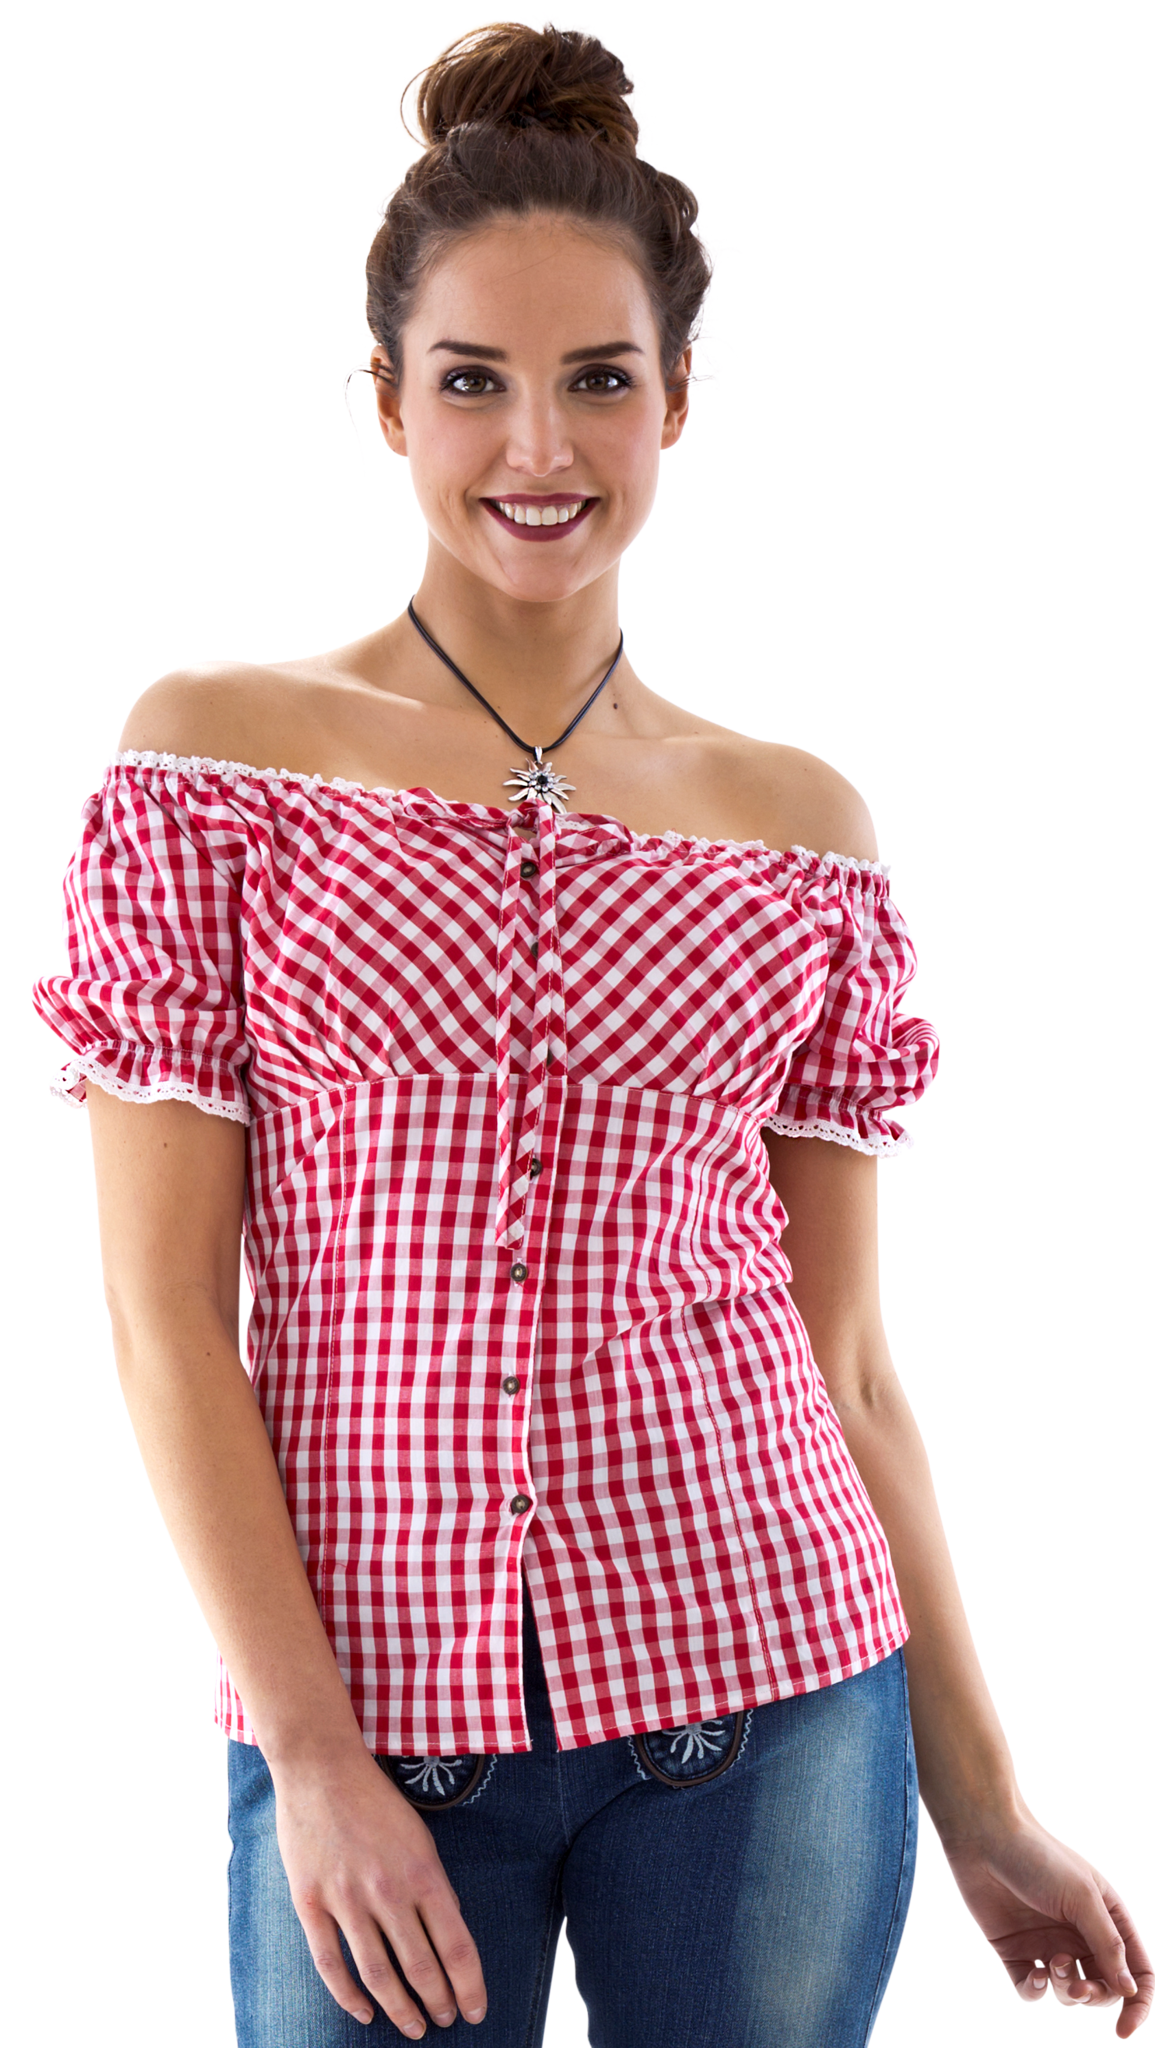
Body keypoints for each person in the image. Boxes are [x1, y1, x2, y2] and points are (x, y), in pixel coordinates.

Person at [28, 15, 1151, 2048]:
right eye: (472, 381)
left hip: (771, 1692)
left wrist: (983, 1802)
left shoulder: (799, 823)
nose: (537, 449)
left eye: (599, 381)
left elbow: (845, 1363)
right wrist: (313, 1759)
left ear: (678, 402)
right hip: (370, 1718)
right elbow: (166, 1312)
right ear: (383, 399)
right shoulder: (219, 757)